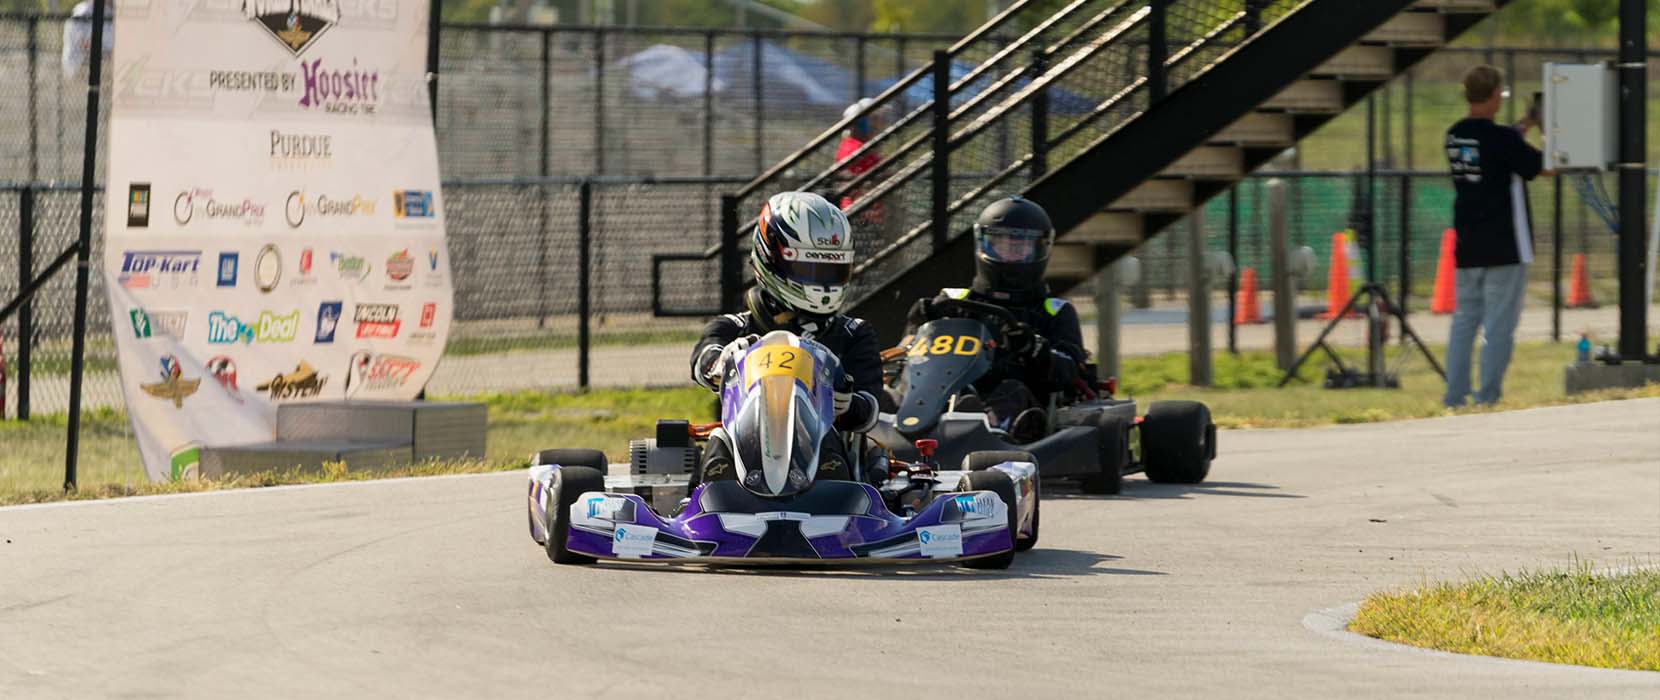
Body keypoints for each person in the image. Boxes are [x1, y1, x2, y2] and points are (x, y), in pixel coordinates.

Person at [689, 191, 882, 484]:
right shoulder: (734, 328)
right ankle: (703, 504)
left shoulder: (853, 333)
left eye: (833, 269)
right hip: (743, 460)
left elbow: (870, 407)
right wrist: (720, 362)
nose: (823, 281)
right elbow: (704, 358)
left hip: (825, 471)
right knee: (719, 439)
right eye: (811, 268)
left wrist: (848, 404)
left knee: (839, 443)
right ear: (772, 260)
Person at [903, 196, 1086, 443]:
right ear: (983, 245)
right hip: (948, 392)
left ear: (1040, 249)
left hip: (1018, 405)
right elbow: (905, 356)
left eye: (1019, 248)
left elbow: (1070, 372)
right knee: (892, 392)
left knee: (1011, 391)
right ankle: (892, 430)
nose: (1010, 255)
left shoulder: (1054, 311)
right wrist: (919, 322)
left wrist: (1035, 350)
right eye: (1001, 244)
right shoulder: (952, 301)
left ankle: (987, 432)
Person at [1442, 64, 1547, 408]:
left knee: (1464, 323)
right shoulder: (1501, 139)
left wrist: (1524, 124)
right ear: (1494, 96)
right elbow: (1542, 166)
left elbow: (1496, 145)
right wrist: (1549, 133)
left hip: (1468, 245)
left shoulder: (1455, 134)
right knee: (1499, 327)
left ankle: (1454, 397)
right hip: (1505, 245)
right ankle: (1487, 397)